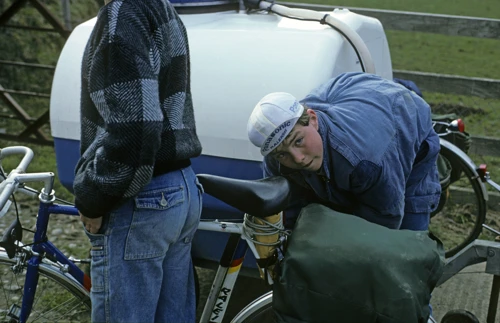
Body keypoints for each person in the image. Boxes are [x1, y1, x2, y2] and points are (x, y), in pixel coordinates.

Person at [74, 0, 203, 322]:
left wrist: (94, 198)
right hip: (180, 187)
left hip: (144, 199)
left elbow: (136, 127)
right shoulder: (158, 5)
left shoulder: (123, 13)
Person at [247, 71, 441, 231]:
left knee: (407, 241)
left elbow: (383, 224)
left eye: (298, 141)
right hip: (350, 104)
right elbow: (286, 211)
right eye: (283, 154)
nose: (297, 158)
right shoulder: (277, 153)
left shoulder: (366, 161)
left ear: (312, 118)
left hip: (404, 117)